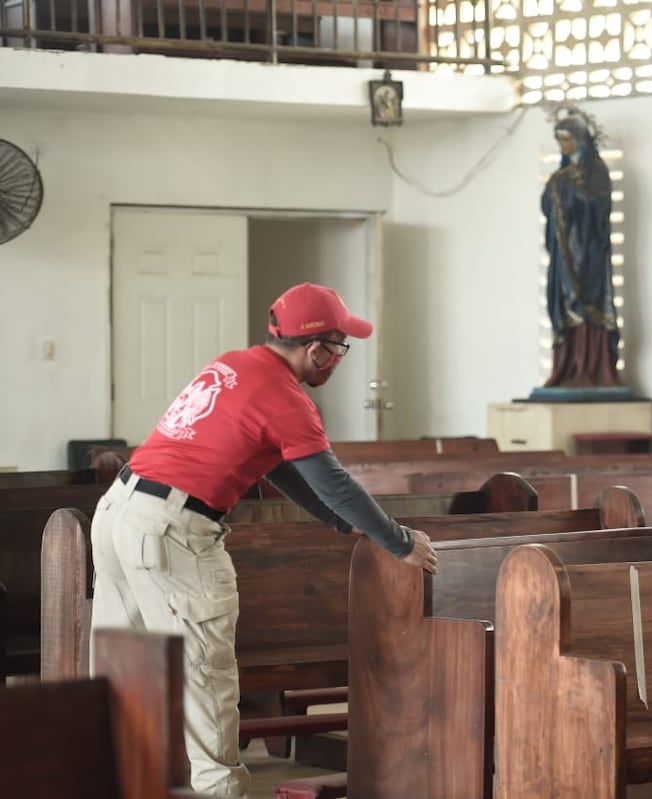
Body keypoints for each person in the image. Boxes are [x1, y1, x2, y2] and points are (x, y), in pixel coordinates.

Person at [88, 282, 438, 798]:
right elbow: (333, 481)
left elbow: (282, 465)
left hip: (119, 513)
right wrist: (401, 542)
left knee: (122, 673)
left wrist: (343, 522)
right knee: (205, 681)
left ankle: (104, 784)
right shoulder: (285, 398)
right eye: (339, 348)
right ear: (315, 348)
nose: (339, 360)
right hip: (171, 531)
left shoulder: (234, 365)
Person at [541, 109, 622, 388]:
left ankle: (590, 365)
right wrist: (560, 189)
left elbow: (597, 203)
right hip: (563, 250)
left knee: (586, 301)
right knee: (563, 300)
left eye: (568, 139)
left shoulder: (596, 171)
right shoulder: (560, 175)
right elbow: (547, 206)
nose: (564, 146)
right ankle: (567, 366)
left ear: (580, 140)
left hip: (587, 249)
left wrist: (573, 191)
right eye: (560, 140)